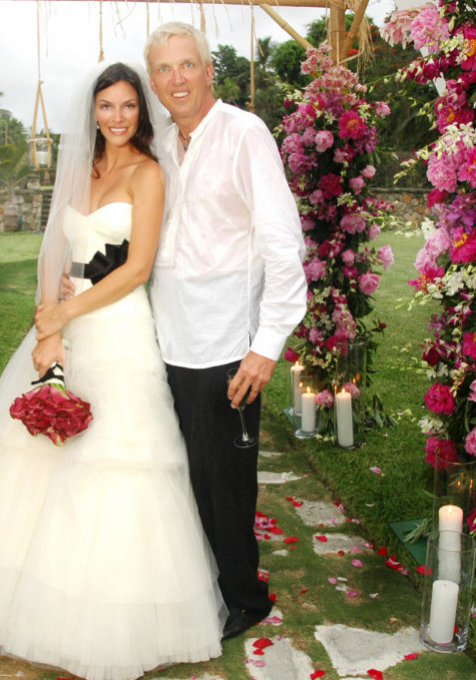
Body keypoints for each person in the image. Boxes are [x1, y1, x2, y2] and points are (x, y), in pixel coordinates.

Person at [0, 61, 225, 680]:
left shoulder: (148, 173)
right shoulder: (81, 169)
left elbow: (137, 269)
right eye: (107, 106)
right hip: (62, 322)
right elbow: (55, 249)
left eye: (129, 105)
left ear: (142, 111)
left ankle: (102, 614)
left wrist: (66, 312)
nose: (117, 117)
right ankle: (16, 593)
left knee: (113, 457)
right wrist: (47, 328)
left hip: (117, 326)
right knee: (34, 453)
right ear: (92, 113)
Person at [144, 22, 308, 641]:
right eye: (165, 69)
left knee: (225, 484)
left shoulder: (244, 133)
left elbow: (283, 244)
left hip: (227, 346)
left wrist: (265, 348)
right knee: (182, 477)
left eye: (188, 64)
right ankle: (197, 588)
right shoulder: (160, 143)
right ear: (154, 80)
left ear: (209, 70)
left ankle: (244, 597)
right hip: (166, 340)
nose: (178, 79)